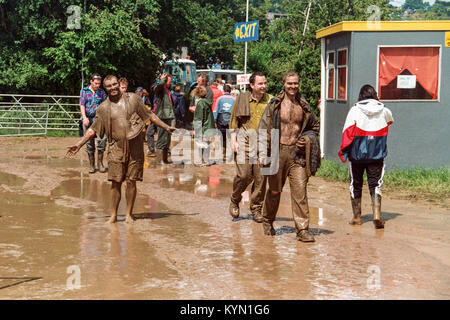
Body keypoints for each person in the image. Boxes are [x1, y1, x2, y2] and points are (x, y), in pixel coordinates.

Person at [67, 75, 175, 224]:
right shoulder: (104, 108)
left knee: (131, 181)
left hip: (135, 147)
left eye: (114, 84)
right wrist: (79, 144)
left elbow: (150, 115)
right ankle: (113, 215)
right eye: (109, 86)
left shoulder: (133, 99)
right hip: (115, 148)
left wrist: (166, 127)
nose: (112, 88)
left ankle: (129, 214)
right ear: (105, 89)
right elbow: (93, 129)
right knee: (115, 182)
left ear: (119, 84)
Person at [258, 72, 320, 242]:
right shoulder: (275, 105)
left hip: (297, 155)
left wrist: (306, 139)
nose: (293, 87)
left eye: (296, 84)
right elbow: (263, 128)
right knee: (275, 190)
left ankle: (302, 230)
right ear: (283, 84)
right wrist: (263, 153)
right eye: (290, 84)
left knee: (300, 192)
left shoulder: (304, 106)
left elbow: (314, 126)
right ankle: (268, 221)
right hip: (277, 152)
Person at [338, 84, 394, 229]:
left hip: (357, 155)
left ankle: (357, 217)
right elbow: (390, 122)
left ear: (360, 96)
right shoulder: (384, 110)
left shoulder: (355, 110)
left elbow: (347, 133)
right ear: (375, 95)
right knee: (375, 183)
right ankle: (377, 214)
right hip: (376, 155)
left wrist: (343, 151)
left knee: (355, 184)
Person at [228, 72, 272, 223]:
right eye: (260, 84)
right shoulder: (242, 99)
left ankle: (256, 209)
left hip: (264, 144)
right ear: (252, 85)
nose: (263, 86)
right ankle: (235, 199)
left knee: (261, 179)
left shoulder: (271, 101)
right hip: (244, 142)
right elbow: (233, 121)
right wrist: (233, 141)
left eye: (265, 83)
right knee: (244, 175)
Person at [79, 73, 108, 174]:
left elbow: (105, 105)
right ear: (91, 81)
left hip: (100, 120)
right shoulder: (84, 91)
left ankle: (100, 164)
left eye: (99, 84)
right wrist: (84, 117)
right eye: (96, 83)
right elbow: (82, 104)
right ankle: (92, 165)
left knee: (102, 141)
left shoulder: (102, 92)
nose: (97, 85)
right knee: (89, 143)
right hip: (88, 119)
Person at [154, 73, 175, 164]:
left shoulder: (167, 90)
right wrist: (162, 79)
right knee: (161, 139)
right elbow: (157, 88)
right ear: (164, 81)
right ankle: (159, 161)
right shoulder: (160, 89)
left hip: (168, 116)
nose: (170, 83)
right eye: (169, 81)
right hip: (162, 117)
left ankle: (165, 159)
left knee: (167, 139)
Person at [192, 86, 216, 166]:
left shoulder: (200, 103)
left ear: (197, 93)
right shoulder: (207, 101)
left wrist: (196, 130)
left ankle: (200, 162)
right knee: (206, 145)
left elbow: (199, 118)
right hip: (209, 126)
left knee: (200, 145)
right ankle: (206, 161)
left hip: (204, 128)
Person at [213, 84, 235, 150]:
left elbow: (215, 110)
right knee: (230, 135)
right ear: (230, 91)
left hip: (221, 119)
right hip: (230, 120)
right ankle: (230, 149)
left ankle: (224, 149)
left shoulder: (219, 99)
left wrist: (214, 120)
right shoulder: (234, 99)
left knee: (222, 136)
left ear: (223, 90)